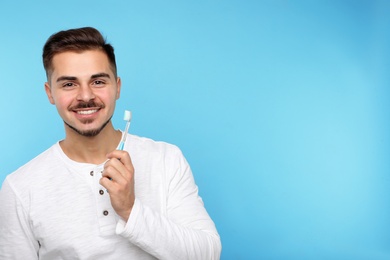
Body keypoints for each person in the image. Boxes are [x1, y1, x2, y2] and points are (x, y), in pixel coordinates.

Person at [0, 27, 221, 259]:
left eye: (97, 81)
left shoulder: (166, 159)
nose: (85, 96)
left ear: (117, 87)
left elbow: (208, 254)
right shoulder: (20, 188)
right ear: (50, 93)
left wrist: (130, 210)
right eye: (69, 84)